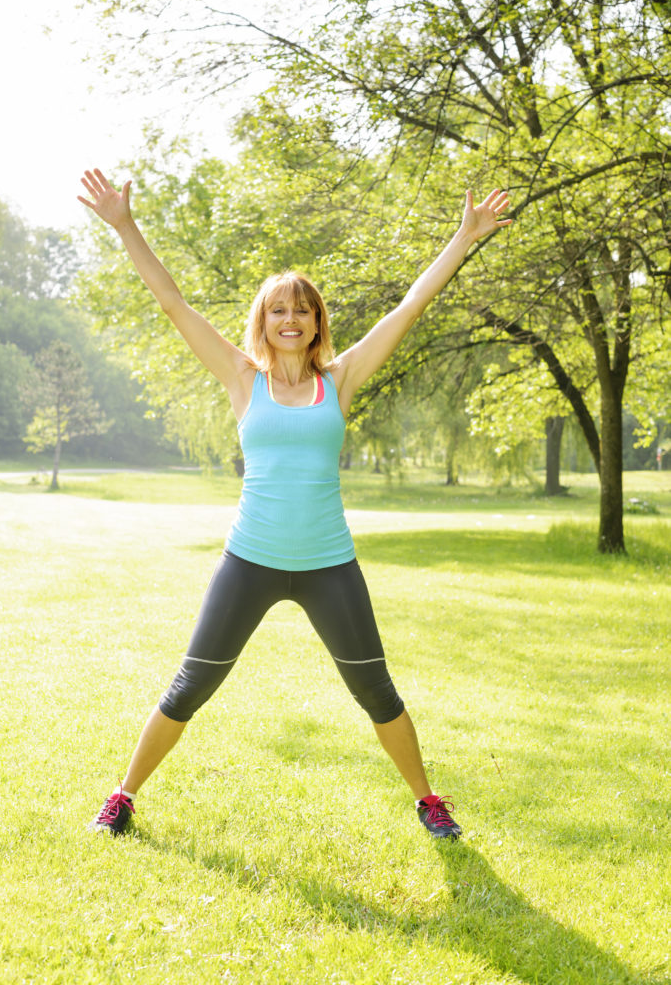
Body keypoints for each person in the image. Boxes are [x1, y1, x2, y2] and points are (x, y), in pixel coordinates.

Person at [79, 167, 511, 841]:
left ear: (316, 324)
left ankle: (427, 801)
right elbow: (173, 303)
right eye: (277, 309)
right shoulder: (238, 376)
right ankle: (122, 797)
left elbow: (409, 306)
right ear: (263, 321)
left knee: (375, 691)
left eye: (301, 309)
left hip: (327, 564)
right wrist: (125, 224)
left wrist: (464, 236)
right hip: (249, 560)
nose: (289, 319)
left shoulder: (338, 380)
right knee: (190, 687)